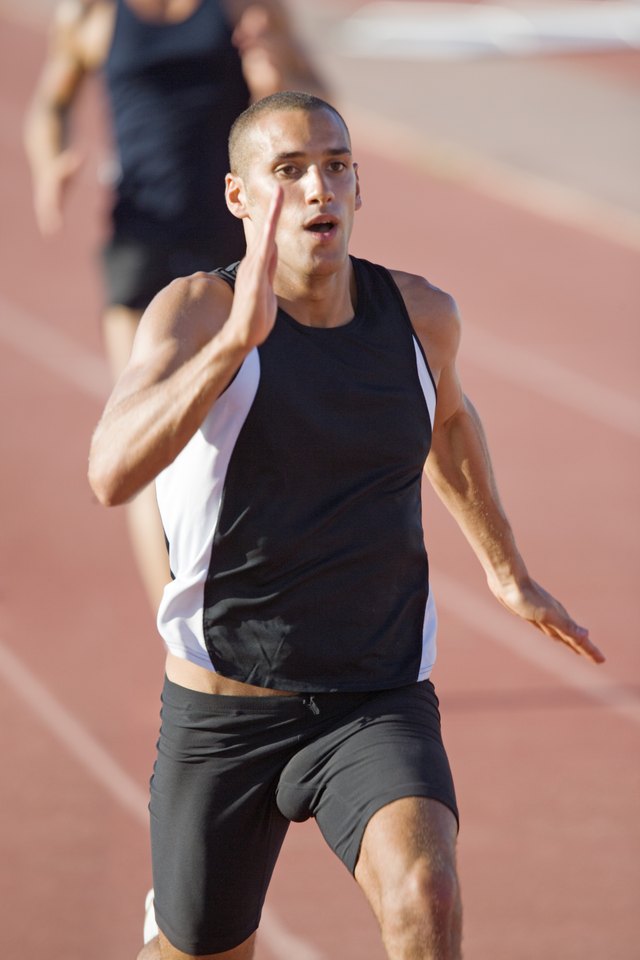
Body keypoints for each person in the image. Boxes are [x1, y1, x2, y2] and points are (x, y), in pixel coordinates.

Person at [87, 91, 605, 960]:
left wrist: (505, 568)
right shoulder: (197, 315)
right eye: (288, 172)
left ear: (360, 185)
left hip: (375, 696)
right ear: (239, 198)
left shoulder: (420, 316)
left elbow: (447, 421)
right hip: (225, 708)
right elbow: (110, 474)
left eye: (334, 165)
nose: (318, 188)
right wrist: (230, 351)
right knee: (201, 950)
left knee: (426, 892)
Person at [24, 0, 325, 611]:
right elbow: (50, 105)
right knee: (149, 432)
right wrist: (49, 162)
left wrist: (277, 66)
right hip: (141, 244)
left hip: (236, 244)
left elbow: (318, 104)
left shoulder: (247, 8)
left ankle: (276, 601)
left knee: (257, 430)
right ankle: (178, 622)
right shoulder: (95, 18)